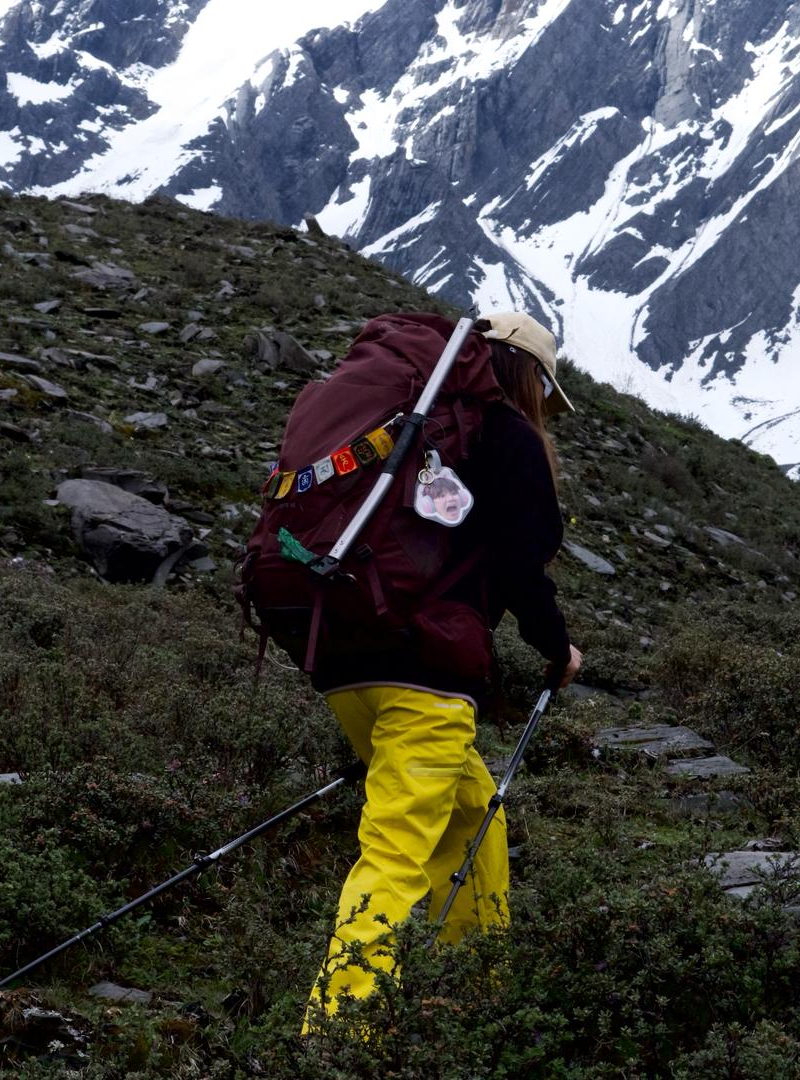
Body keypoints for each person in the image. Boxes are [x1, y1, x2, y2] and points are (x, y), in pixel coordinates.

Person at [303, 310, 583, 1029]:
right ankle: (335, 1037)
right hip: (425, 675)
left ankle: (474, 992)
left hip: (344, 657)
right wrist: (558, 649)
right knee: (397, 854)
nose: (545, 412)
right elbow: (523, 570)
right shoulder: (507, 438)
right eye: (545, 394)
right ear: (525, 376)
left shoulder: (412, 425)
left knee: (472, 816)